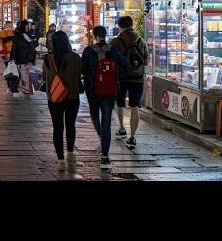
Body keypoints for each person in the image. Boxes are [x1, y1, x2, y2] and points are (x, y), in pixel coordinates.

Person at [82, 25, 130, 169]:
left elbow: (82, 70)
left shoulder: (88, 51)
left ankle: (101, 135)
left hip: (93, 91)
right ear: (106, 35)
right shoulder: (112, 50)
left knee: (94, 114)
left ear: (94, 36)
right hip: (109, 91)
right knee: (107, 121)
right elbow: (125, 62)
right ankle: (105, 157)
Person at [42, 29, 84, 171]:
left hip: (54, 98)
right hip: (72, 96)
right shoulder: (76, 58)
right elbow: (80, 73)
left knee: (57, 127)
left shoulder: (48, 59)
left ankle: (60, 160)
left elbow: (43, 77)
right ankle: (70, 153)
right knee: (70, 125)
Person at [110, 15, 149, 148]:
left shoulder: (115, 41)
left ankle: (122, 128)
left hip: (121, 78)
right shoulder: (141, 41)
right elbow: (146, 61)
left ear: (120, 26)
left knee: (119, 103)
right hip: (138, 78)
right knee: (134, 106)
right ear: (132, 25)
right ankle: (132, 137)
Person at [9, 19, 36, 96]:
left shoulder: (29, 35)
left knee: (26, 75)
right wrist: (12, 59)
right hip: (21, 58)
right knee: (23, 75)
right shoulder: (18, 36)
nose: (29, 27)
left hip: (29, 59)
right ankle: (23, 88)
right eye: (28, 26)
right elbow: (14, 48)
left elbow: (32, 46)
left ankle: (25, 88)